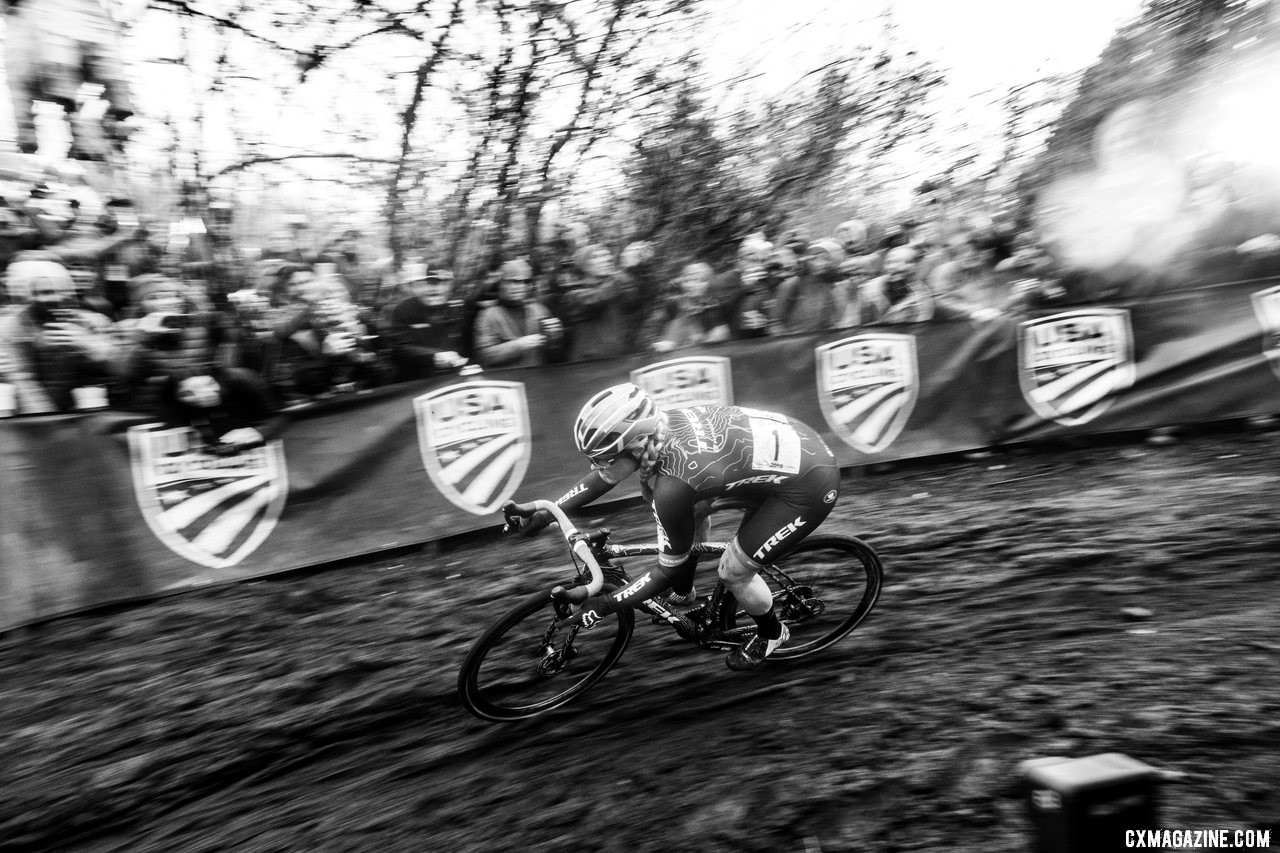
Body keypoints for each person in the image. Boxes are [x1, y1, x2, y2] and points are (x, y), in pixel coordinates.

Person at [504, 383, 841, 671]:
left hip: (808, 486)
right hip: (791, 452)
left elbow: (665, 569)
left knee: (733, 571)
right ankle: (687, 591)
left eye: (604, 457)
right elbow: (607, 476)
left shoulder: (673, 486)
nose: (598, 467)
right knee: (695, 510)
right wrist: (545, 513)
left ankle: (772, 633)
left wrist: (604, 606)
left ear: (637, 447)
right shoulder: (660, 430)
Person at [0, 253, 123, 413]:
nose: (57, 298)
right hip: (38, 420)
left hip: (88, 414)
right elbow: (23, 383)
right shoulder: (10, 328)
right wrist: (48, 421)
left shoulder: (93, 321)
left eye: (62, 290)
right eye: (45, 292)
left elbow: (122, 369)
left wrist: (89, 345)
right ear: (25, 295)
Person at [157, 365, 288, 454]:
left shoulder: (245, 379)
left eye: (206, 385)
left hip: (259, 433)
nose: (202, 395)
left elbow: (280, 415)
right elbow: (173, 420)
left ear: (215, 380)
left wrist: (258, 431)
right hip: (225, 443)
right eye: (187, 394)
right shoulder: (175, 403)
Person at [384, 261, 469, 380]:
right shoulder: (404, 309)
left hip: (453, 378)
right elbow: (399, 348)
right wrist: (434, 357)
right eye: (429, 282)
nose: (434, 288)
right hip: (415, 380)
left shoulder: (458, 307)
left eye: (441, 283)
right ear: (420, 285)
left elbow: (467, 344)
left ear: (450, 285)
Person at [473, 258, 564, 368]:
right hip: (508, 381)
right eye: (513, 282)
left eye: (525, 282)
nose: (520, 287)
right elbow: (484, 356)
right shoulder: (489, 315)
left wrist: (555, 339)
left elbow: (554, 357)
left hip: (538, 379)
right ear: (501, 285)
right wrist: (518, 345)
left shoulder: (540, 310)